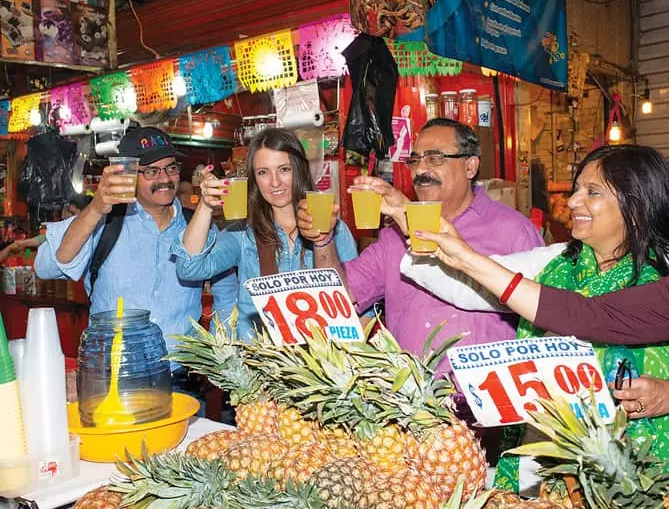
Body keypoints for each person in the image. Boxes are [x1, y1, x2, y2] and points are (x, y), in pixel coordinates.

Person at [401, 144, 669, 483]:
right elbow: (476, 289)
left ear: (637, 207)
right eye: (576, 189)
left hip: (635, 474)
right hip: (537, 463)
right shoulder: (556, 264)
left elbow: (587, 315)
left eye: (593, 192)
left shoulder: (657, 280)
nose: (572, 202)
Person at [297, 118, 545, 364]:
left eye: (435, 159)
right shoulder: (393, 237)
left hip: (485, 396)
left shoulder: (513, 231)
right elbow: (338, 295)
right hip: (408, 396)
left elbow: (544, 315)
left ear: (470, 166)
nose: (421, 170)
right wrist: (322, 240)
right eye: (415, 160)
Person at [35, 126, 238, 355]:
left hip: (180, 375)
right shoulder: (105, 222)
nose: (165, 179)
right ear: (129, 176)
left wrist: (222, 354)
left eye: (171, 168)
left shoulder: (199, 226)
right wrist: (95, 209)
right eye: (151, 171)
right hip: (113, 374)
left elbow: (227, 295)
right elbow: (45, 267)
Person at [172, 128, 362, 341]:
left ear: (299, 169)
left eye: (283, 169)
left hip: (318, 365)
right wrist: (206, 206)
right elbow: (189, 268)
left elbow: (359, 303)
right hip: (259, 365)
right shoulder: (244, 233)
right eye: (263, 172)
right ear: (254, 179)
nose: (275, 182)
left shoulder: (334, 229)